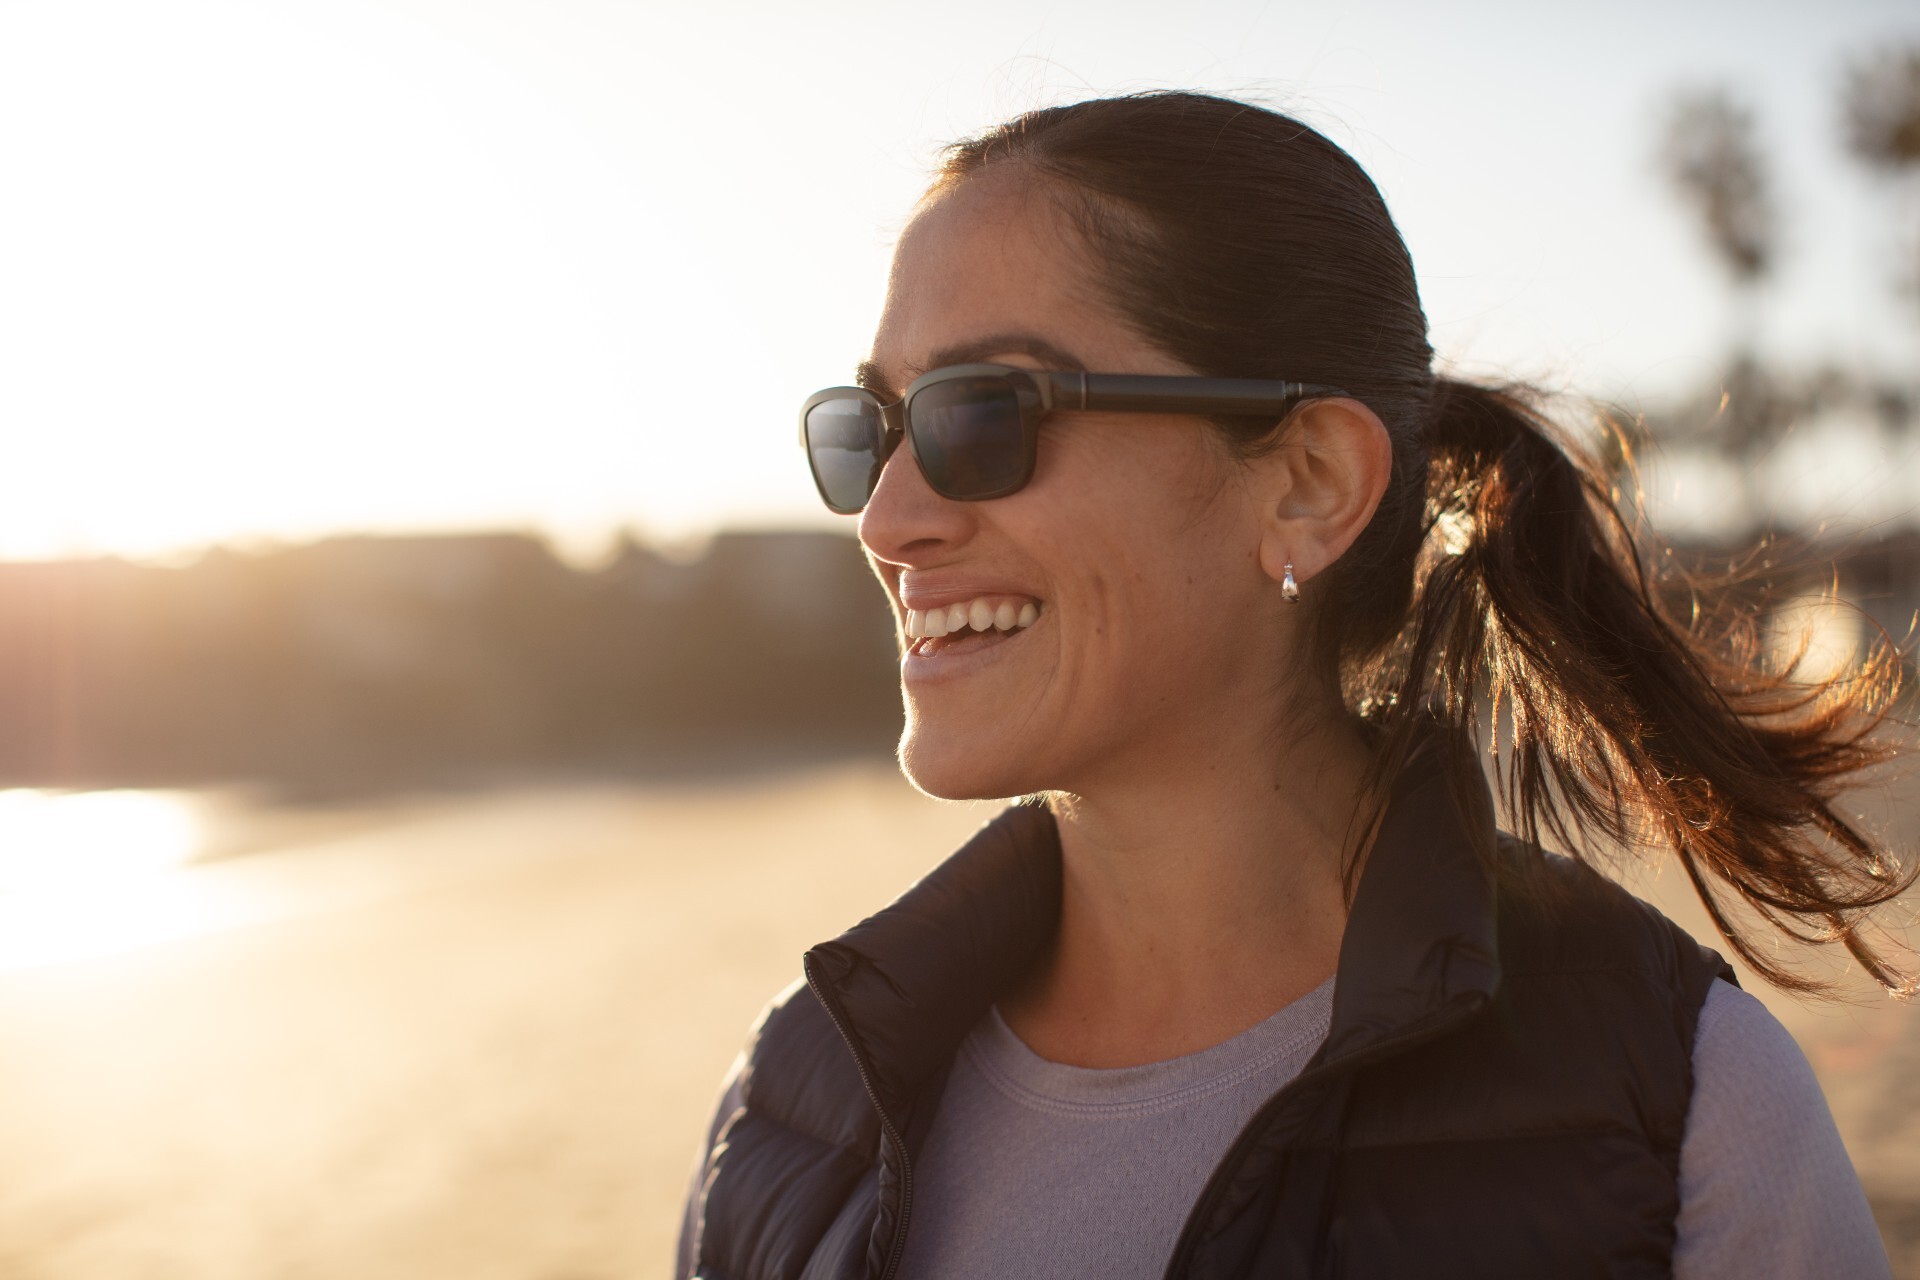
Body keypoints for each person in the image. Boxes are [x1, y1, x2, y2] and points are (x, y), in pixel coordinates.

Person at [677, 90, 1909, 1279]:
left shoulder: (1679, 1104)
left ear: (1310, 482)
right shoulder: (799, 1093)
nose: (889, 519)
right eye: (871, 429)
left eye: (982, 413)